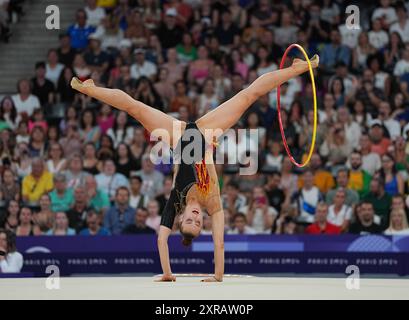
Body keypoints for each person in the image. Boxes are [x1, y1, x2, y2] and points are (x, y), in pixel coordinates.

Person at [71, 53, 319, 282]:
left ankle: (90, 89)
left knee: (134, 107)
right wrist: (218, 276)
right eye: (199, 224)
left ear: (180, 218)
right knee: (248, 95)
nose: (196, 219)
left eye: (189, 221)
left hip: (176, 136)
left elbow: (161, 240)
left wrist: (168, 273)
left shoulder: (174, 202)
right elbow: (219, 243)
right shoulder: (213, 203)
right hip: (205, 132)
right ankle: (298, 69)